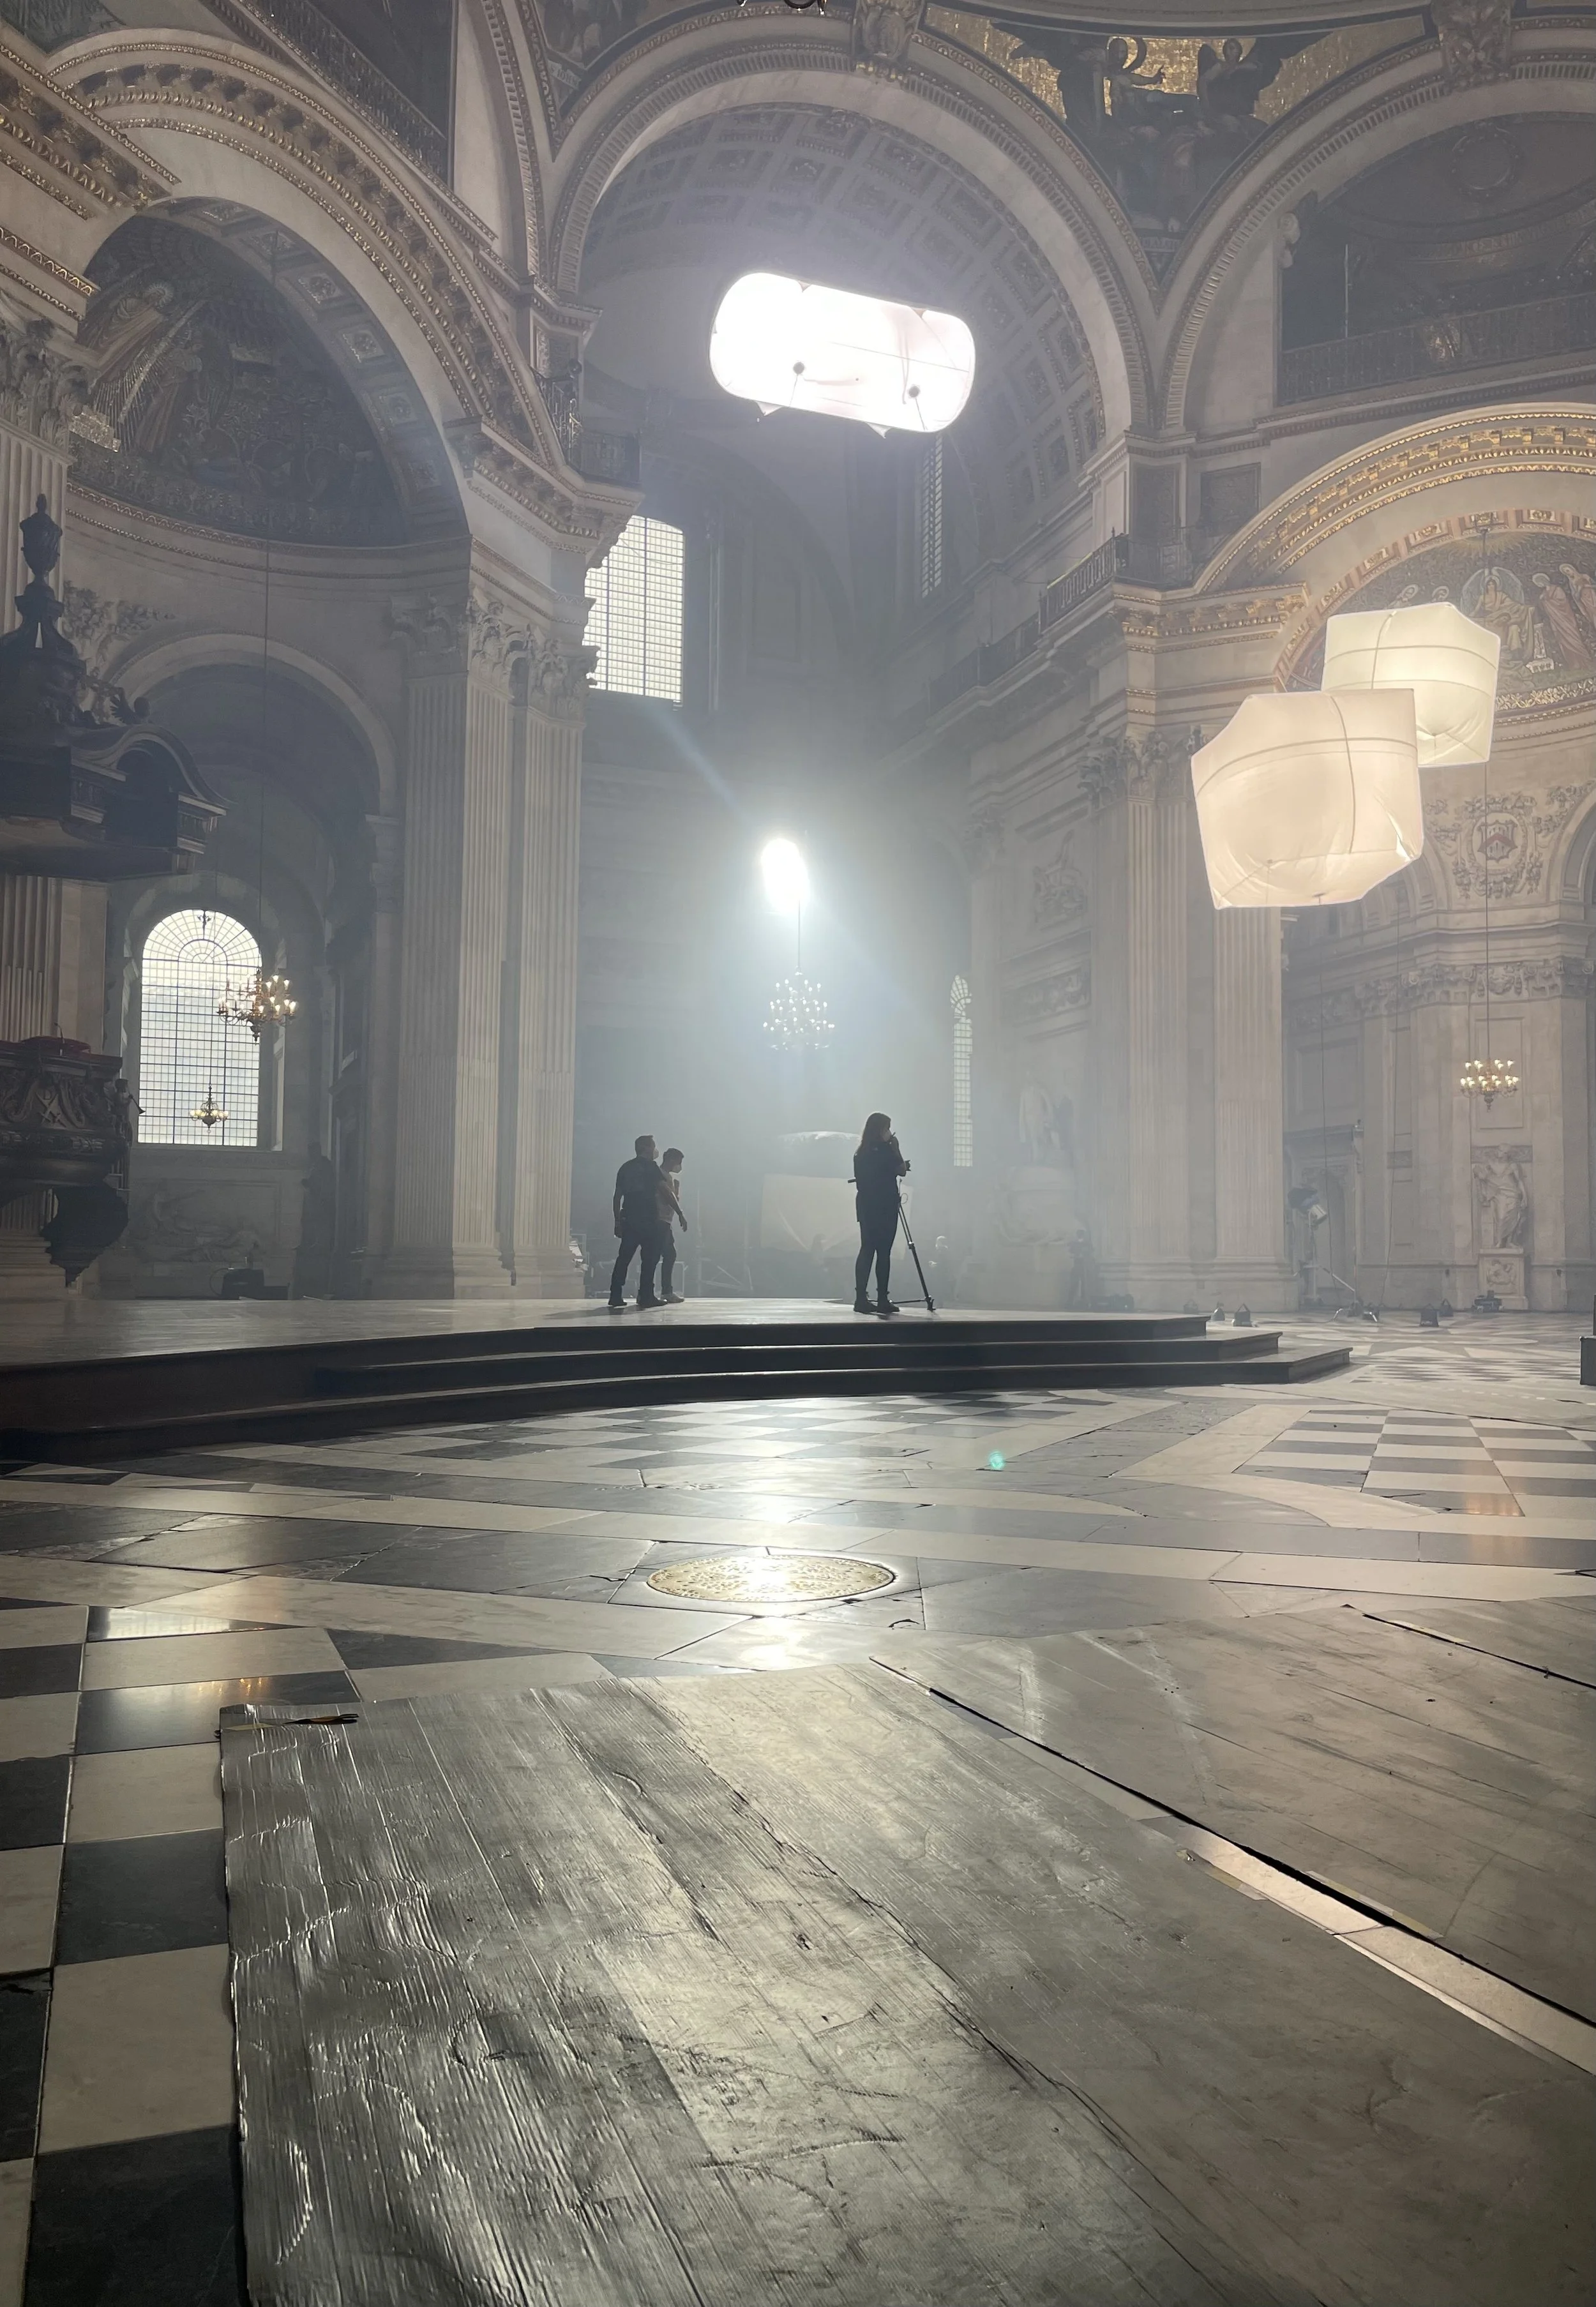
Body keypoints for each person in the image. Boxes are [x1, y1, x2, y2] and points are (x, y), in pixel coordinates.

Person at [852, 1111, 908, 1316]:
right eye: (887, 1128)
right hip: (885, 1205)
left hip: (866, 1205)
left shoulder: (860, 1152)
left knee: (867, 1249)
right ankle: (883, 1298)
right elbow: (901, 1169)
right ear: (881, 1130)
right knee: (884, 1252)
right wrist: (896, 1148)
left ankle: (861, 1298)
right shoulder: (886, 1151)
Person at [608, 1134, 665, 1309]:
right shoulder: (652, 1167)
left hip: (629, 1218)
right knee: (650, 1258)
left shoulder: (626, 1168)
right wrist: (678, 1210)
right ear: (646, 1148)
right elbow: (663, 1189)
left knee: (624, 1258)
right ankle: (646, 1295)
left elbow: (617, 1197)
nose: (655, 1150)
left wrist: (617, 1221)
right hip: (648, 1218)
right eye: (653, 1146)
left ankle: (615, 1295)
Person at [656, 1147, 688, 1304]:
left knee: (668, 1255)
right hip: (659, 1220)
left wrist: (677, 1188)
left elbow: (675, 1198)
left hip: (666, 1220)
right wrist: (681, 1214)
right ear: (672, 1160)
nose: (680, 1166)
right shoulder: (660, 1175)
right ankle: (666, 1291)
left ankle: (665, 1291)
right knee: (668, 1254)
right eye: (679, 1162)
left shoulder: (669, 1177)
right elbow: (668, 1197)